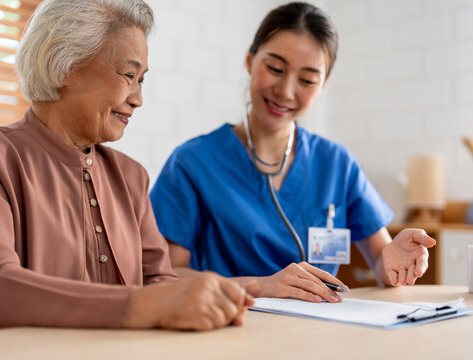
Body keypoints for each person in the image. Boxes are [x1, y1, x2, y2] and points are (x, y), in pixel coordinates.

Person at [0, 0, 252, 334]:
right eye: (129, 75)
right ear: (63, 67)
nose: (138, 98)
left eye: (142, 80)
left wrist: (201, 302)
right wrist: (138, 306)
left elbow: (158, 281)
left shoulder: (132, 177)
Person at [150, 2, 436, 304]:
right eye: (275, 68)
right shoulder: (193, 163)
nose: (286, 91)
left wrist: (393, 260)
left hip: (315, 339)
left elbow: (381, 264)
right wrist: (261, 286)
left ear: (322, 84)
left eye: (307, 80)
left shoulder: (336, 164)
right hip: (229, 329)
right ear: (250, 61)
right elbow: (165, 276)